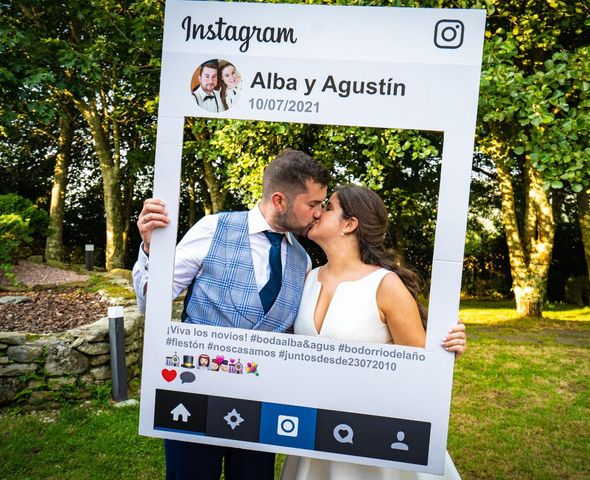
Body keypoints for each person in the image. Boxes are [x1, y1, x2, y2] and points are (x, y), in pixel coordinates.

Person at [132, 149, 331, 480]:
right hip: (193, 397)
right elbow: (152, 301)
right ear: (280, 200)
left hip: (261, 405)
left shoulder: (303, 260)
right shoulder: (213, 228)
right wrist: (153, 250)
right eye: (313, 204)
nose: (319, 213)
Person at [281, 184, 467, 480]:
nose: (317, 213)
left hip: (377, 434)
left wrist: (447, 349)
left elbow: (423, 365)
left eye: (328, 208)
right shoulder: (306, 278)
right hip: (315, 428)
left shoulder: (385, 285)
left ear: (350, 224)